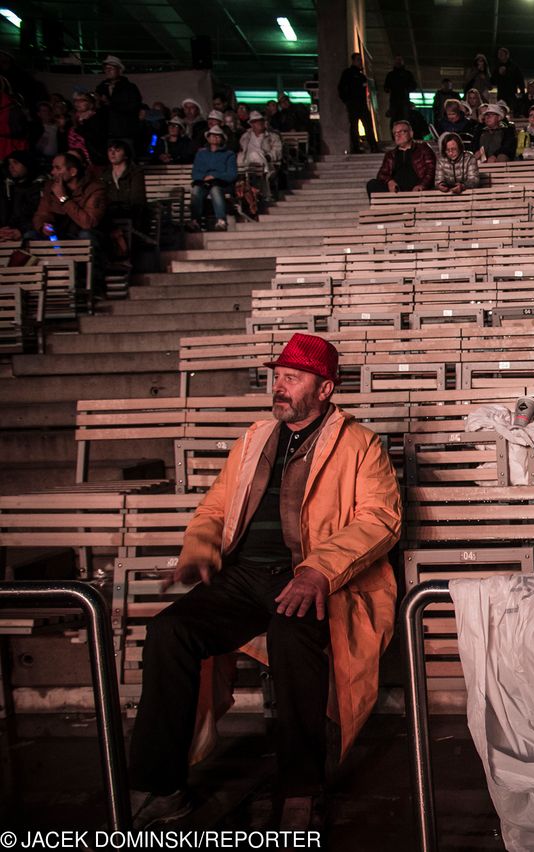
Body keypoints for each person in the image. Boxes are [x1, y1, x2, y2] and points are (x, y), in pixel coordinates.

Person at [127, 333, 401, 832]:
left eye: (291, 379)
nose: (279, 387)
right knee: (171, 631)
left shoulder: (360, 443)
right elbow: (214, 506)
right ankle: (162, 785)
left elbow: (379, 519)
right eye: (277, 377)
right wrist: (199, 550)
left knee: (291, 637)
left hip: (311, 575)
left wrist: (318, 570)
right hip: (244, 576)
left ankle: (301, 787)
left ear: (324, 389)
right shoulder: (254, 438)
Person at [30, 150, 104, 242]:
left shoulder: (93, 189)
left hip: (84, 235)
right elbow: (42, 213)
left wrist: (63, 197)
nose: (52, 172)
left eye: (58, 168)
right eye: (53, 168)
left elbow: (88, 223)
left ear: (73, 172)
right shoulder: (51, 187)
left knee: (85, 234)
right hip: (60, 234)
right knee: (30, 235)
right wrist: (44, 226)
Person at [100, 139, 148, 265]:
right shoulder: (104, 174)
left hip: (131, 212)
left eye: (117, 150)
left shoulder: (135, 172)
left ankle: (123, 254)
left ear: (125, 154)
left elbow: (137, 200)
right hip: (110, 214)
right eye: (110, 150)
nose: (112, 153)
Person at [366, 120, 435, 198]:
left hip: (417, 188)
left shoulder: (423, 149)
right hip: (397, 190)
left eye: (401, 132)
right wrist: (389, 181)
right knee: (372, 184)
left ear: (411, 133)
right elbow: (382, 174)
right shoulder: (391, 155)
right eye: (395, 133)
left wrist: (422, 185)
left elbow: (430, 171)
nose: (397, 135)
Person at [188, 127, 236, 231]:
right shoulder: (201, 154)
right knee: (196, 190)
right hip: (204, 182)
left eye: (218, 135)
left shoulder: (229, 154)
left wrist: (215, 176)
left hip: (221, 183)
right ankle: (195, 221)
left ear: (222, 139)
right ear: (208, 138)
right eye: (212, 135)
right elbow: (195, 173)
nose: (214, 137)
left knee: (215, 190)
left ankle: (221, 221)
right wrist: (204, 178)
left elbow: (232, 174)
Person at [94, 55, 142, 145]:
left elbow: (133, 107)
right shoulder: (101, 87)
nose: (108, 71)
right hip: (105, 132)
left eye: (111, 68)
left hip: (124, 132)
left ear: (119, 70)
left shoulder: (129, 88)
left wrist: (110, 103)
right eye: (106, 68)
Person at [0, 150, 42, 241]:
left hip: (27, 233)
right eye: (9, 163)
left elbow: (41, 216)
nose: (11, 167)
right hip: (5, 234)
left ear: (27, 164)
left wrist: (21, 231)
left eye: (15, 163)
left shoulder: (40, 188)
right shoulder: (6, 188)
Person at [337, 53, 373, 154]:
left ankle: (372, 145)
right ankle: (357, 147)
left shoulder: (361, 76)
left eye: (360, 60)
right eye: (358, 60)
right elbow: (341, 88)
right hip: (353, 103)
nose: (360, 62)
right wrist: (347, 100)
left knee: (366, 124)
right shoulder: (348, 74)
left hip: (361, 103)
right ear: (353, 61)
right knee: (355, 126)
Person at [383, 56, 417, 125]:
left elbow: (413, 86)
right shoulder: (393, 75)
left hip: (401, 101)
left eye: (399, 60)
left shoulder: (393, 75)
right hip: (398, 102)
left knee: (401, 121)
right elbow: (386, 88)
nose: (398, 62)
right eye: (397, 60)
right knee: (401, 120)